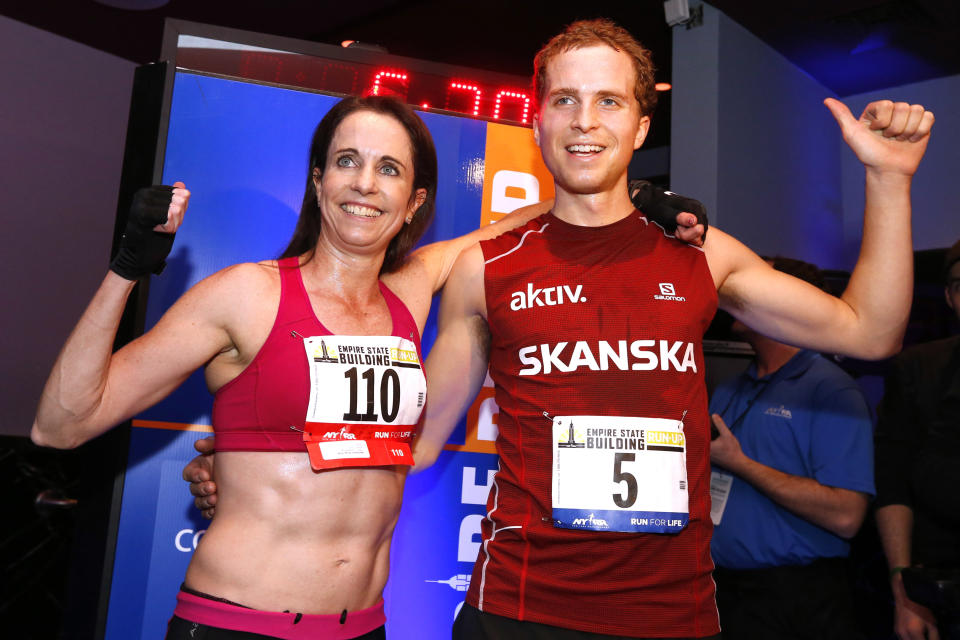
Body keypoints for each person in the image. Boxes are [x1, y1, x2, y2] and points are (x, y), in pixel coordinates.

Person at [190, 18, 933, 639]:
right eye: (566, 100)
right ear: (538, 118)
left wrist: (890, 180)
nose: (585, 121)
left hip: (670, 616)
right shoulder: (486, 267)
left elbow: (869, 332)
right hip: (517, 608)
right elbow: (411, 445)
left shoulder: (699, 252)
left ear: (640, 125)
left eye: (609, 102)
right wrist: (263, 473)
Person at [32, 94, 703, 639]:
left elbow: (523, 224)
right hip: (238, 624)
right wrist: (126, 270)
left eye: (389, 169)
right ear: (319, 178)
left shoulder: (411, 295)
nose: (364, 183)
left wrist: (633, 199)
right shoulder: (248, 294)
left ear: (415, 202)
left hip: (363, 628)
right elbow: (62, 425)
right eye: (347, 161)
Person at [708, 256, 874, 640]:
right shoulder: (732, 388)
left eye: (752, 289)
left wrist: (741, 464)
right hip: (726, 591)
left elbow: (847, 516)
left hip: (797, 599)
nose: (734, 297)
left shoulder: (831, 390)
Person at [874, 239, 960, 640]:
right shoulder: (920, 368)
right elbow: (893, 481)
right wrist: (903, 590)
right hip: (940, 583)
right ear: (949, 296)